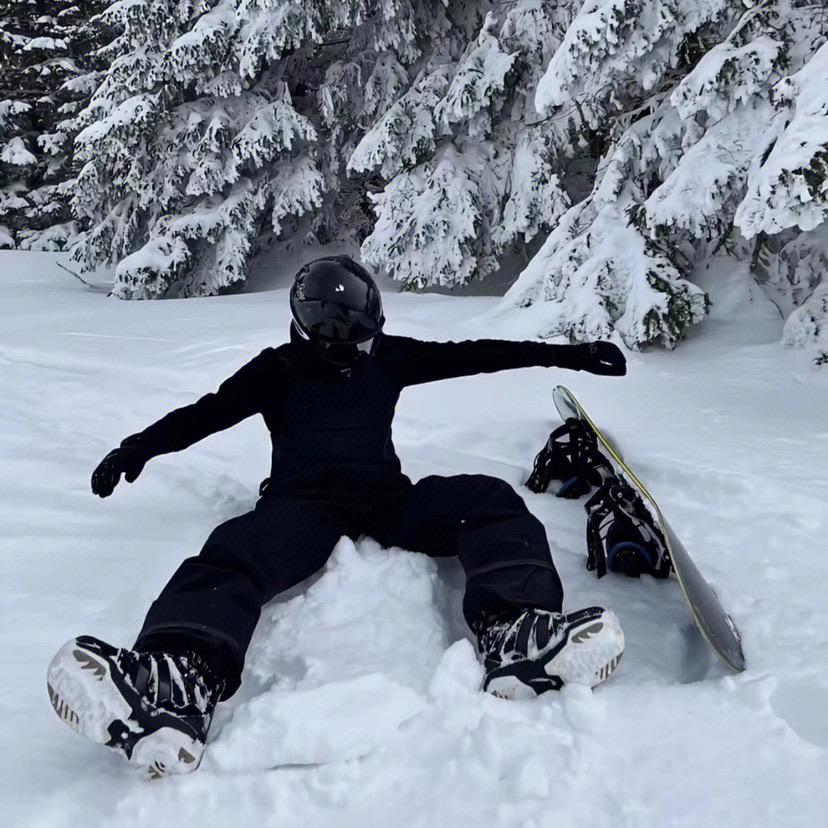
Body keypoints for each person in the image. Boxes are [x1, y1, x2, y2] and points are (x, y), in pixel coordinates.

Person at [47, 255, 627, 778]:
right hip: (303, 510)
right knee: (232, 553)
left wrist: (567, 355)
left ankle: (517, 635)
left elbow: (475, 355)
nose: (368, 351)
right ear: (314, 336)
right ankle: (178, 681)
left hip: (388, 503)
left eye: (372, 338)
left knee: (489, 499)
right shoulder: (275, 371)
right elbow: (206, 414)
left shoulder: (389, 355)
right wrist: (136, 448)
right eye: (356, 344)